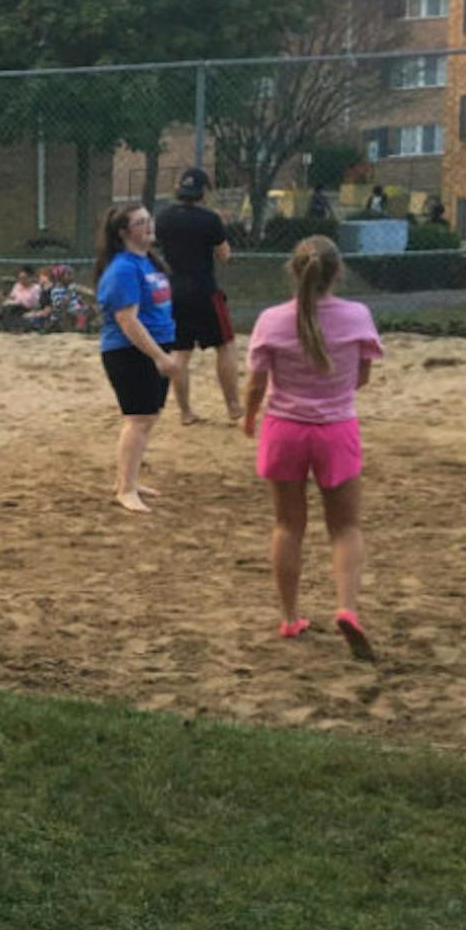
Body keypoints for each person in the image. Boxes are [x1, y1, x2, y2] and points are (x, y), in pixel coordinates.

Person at [241, 237, 382, 660]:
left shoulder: (270, 320)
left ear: (292, 270)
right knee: (345, 527)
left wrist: (249, 418)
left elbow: (257, 383)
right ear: (337, 272)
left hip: (284, 429)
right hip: (336, 429)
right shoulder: (357, 315)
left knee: (288, 526)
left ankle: (289, 617)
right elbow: (362, 377)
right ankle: (347, 607)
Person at [95, 204, 177, 515]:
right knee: (138, 419)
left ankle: (128, 479)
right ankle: (126, 489)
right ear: (124, 233)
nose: (149, 226)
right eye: (140, 223)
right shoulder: (123, 268)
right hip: (130, 352)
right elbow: (127, 321)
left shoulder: (146, 263)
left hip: (154, 346)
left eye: (148, 220)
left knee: (147, 417)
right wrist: (158, 357)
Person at [156, 167, 242, 426]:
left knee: (181, 353)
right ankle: (233, 406)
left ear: (178, 189)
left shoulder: (163, 218)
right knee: (224, 346)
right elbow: (224, 255)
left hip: (174, 291)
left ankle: (185, 412)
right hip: (204, 289)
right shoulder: (209, 219)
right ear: (204, 191)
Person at [0, 264, 44, 331]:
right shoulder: (17, 286)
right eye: (20, 278)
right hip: (14, 308)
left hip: (26, 308)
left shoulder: (36, 288)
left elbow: (35, 303)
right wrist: (0, 296)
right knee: (6, 309)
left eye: (24, 278)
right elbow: (12, 298)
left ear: (31, 278)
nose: (21, 280)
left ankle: (1, 327)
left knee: (9, 310)